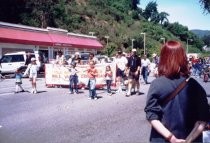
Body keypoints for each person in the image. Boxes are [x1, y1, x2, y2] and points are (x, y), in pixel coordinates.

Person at [144, 40, 210, 143]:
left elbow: (152, 117)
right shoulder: (195, 86)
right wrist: (188, 140)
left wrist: (172, 138)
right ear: (183, 58)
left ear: (163, 58)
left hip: (162, 139)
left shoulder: (157, 84)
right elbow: (202, 121)